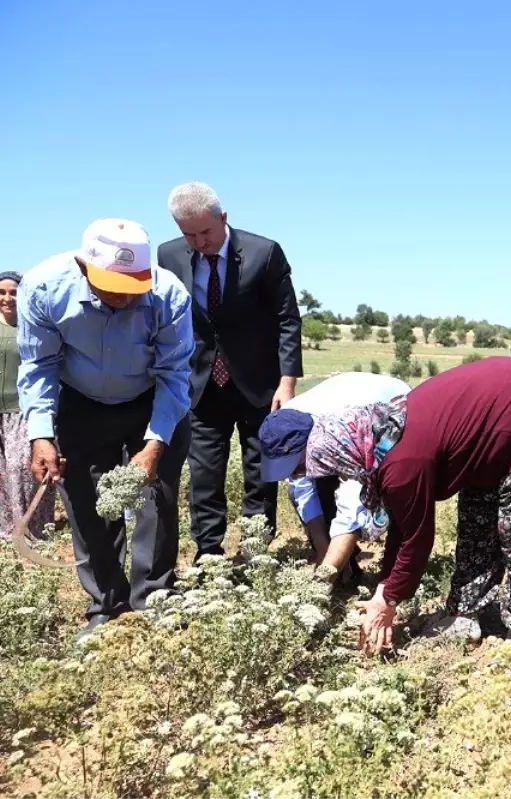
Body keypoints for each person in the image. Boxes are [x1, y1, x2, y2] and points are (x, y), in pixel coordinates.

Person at [16, 219, 193, 633]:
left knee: (158, 498)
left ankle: (152, 602)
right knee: (87, 503)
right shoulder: (44, 288)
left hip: (153, 397)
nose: (123, 299)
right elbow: (39, 366)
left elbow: (174, 375)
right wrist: (40, 433)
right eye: (112, 287)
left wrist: (153, 447)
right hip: (80, 399)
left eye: (134, 288)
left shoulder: (169, 296)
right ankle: (105, 606)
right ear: (83, 268)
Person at [320, 356, 511, 652]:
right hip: (491, 436)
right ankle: (465, 614)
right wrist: (385, 589)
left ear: (346, 452)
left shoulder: (401, 463)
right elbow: (404, 522)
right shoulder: (384, 438)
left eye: (336, 466)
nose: (343, 474)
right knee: (477, 524)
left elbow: (417, 539)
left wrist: (388, 600)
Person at [157, 182, 304, 561]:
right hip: (201, 386)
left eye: (205, 231)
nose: (199, 242)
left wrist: (287, 382)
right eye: (188, 234)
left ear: (224, 218)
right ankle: (208, 553)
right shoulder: (168, 256)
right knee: (204, 476)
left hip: (259, 386)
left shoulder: (263, 253)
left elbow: (288, 318)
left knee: (261, 472)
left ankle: (256, 551)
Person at [258, 371, 411, 584]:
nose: (294, 472)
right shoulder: (286, 426)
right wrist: (322, 548)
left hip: (391, 409)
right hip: (340, 406)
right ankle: (344, 567)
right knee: (319, 493)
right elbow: (302, 489)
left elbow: (353, 505)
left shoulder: (342, 440)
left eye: (297, 465)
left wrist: (324, 576)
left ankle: (395, 575)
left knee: (392, 494)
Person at [1, 270, 55, 540]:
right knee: (2, 473)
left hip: (23, 410)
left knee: (23, 469)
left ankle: (35, 528)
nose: (8, 298)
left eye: (13, 292)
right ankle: (7, 529)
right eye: (2, 293)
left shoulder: (33, 325)